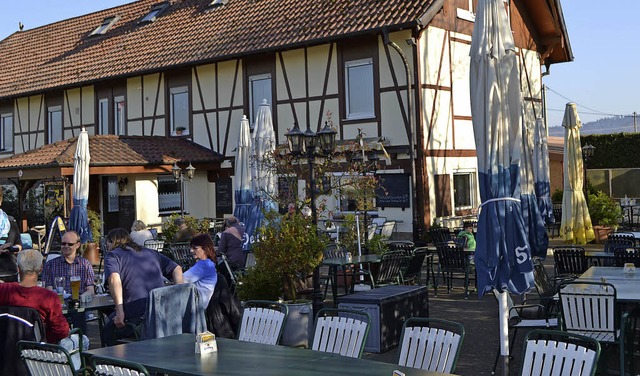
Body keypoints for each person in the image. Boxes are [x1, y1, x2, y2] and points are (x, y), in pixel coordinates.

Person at [102, 228, 183, 346]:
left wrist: (120, 312)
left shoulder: (113, 256)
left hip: (138, 316)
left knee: (108, 330)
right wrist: (177, 298)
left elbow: (114, 279)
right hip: (162, 314)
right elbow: (177, 269)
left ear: (111, 242)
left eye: (107, 244)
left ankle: (116, 362)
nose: (107, 247)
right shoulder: (151, 252)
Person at [0, 249, 69, 343]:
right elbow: (62, 332)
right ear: (41, 268)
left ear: (18, 268)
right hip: (38, 351)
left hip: (6, 348)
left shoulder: (4, 290)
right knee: (82, 340)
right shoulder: (49, 297)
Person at [41, 230, 95, 333]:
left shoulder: (85, 264)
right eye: (63, 243)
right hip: (57, 306)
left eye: (70, 244)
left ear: (78, 245)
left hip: (78, 305)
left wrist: (83, 296)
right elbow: (48, 290)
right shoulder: (51, 265)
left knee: (79, 314)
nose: (66, 246)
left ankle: (81, 343)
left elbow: (91, 290)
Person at [183, 234, 217, 311]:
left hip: (195, 308)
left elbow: (180, 281)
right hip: (199, 306)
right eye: (191, 248)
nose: (191, 251)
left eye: (195, 248)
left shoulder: (204, 265)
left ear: (205, 249)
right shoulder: (209, 263)